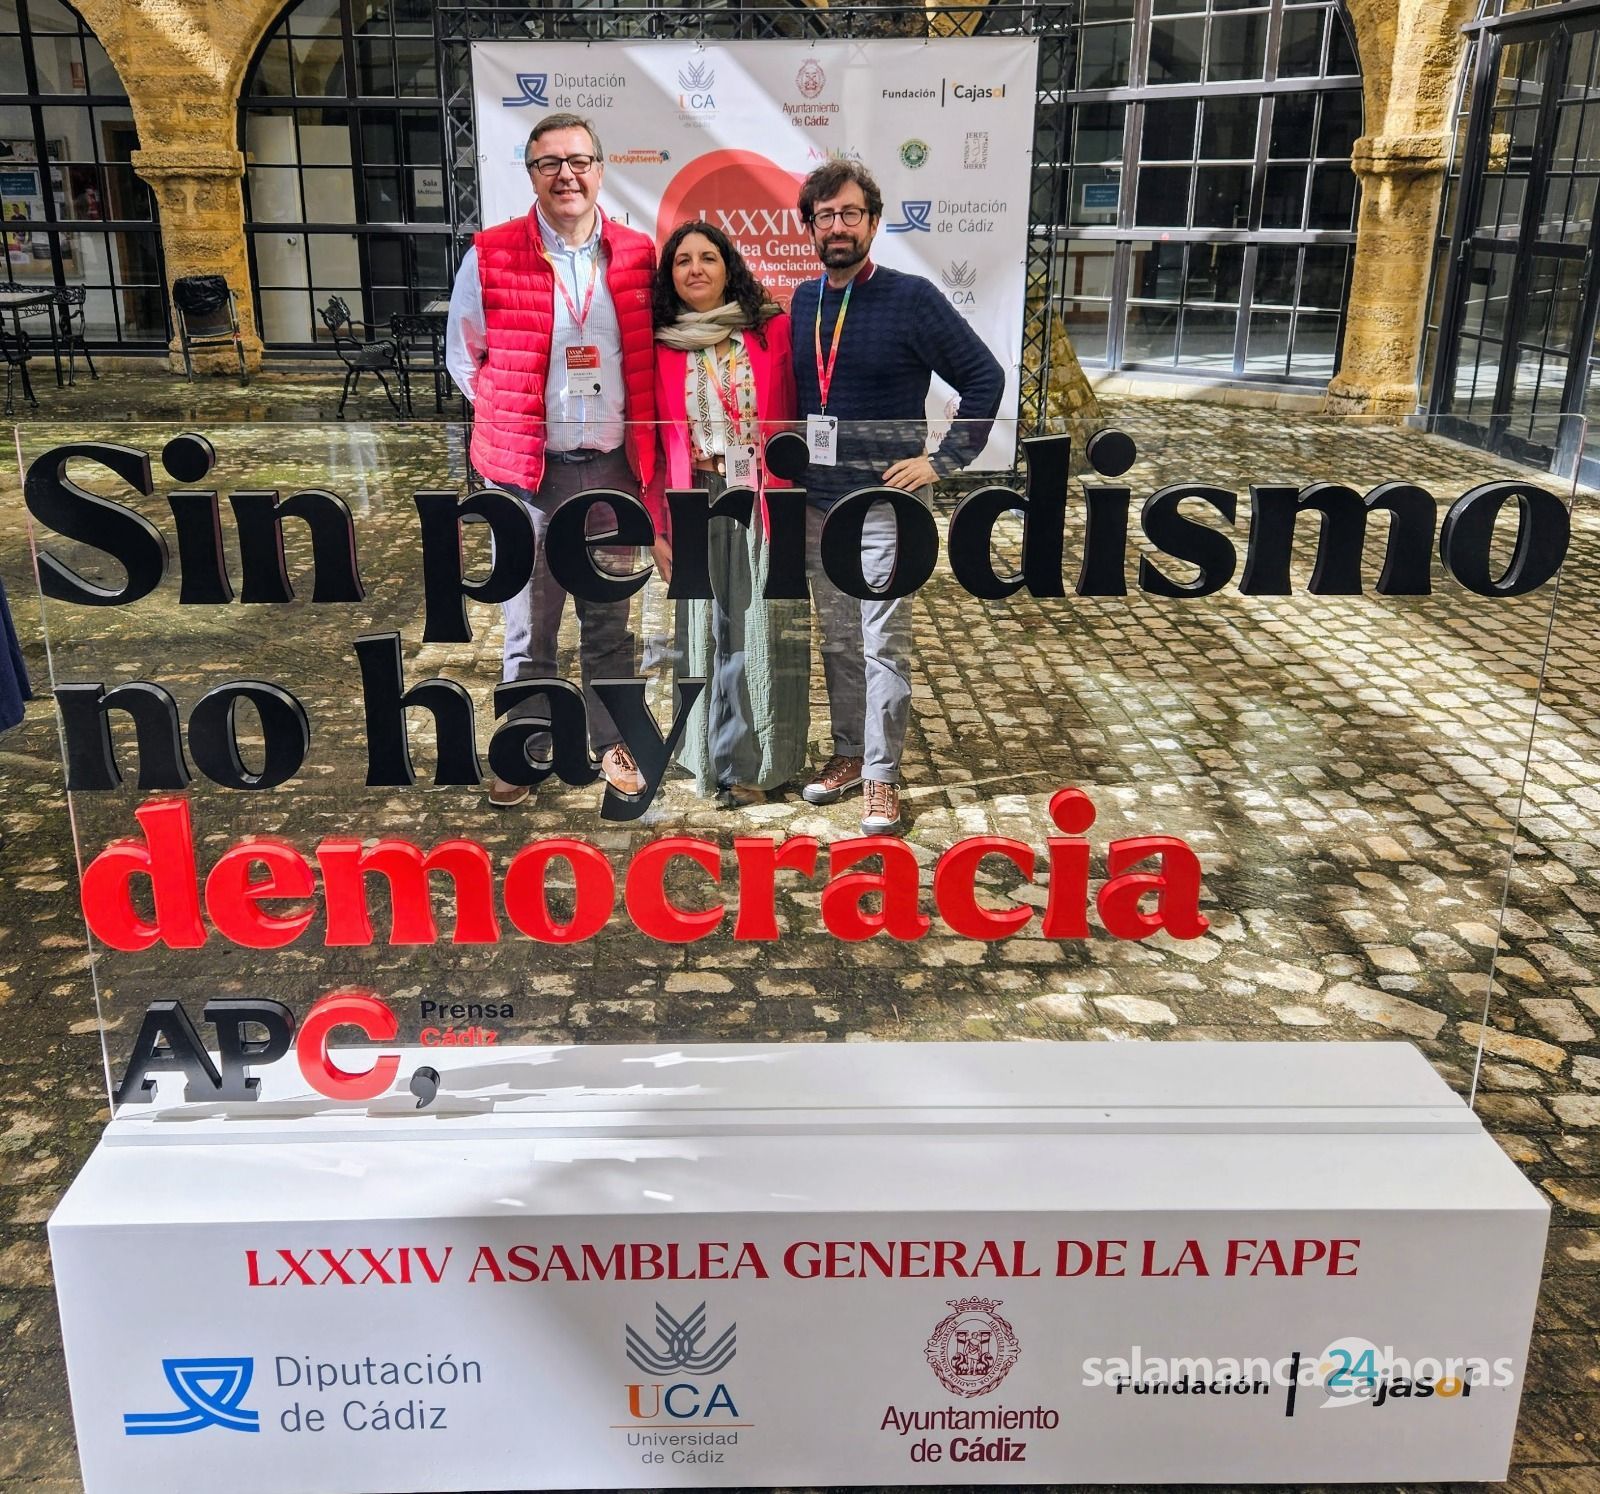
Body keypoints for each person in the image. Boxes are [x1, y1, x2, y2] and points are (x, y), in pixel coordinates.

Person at [445, 110, 656, 805]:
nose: (566, 174)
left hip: (614, 474)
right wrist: (513, 420)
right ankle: (524, 749)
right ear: (532, 174)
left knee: (608, 621)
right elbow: (465, 359)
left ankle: (611, 740)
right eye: (549, 164)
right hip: (529, 478)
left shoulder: (637, 254)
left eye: (578, 161)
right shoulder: (490, 254)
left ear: (600, 169)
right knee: (529, 626)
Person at [790, 160, 1004, 834]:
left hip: (883, 509)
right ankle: (850, 755)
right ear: (811, 229)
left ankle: (882, 780)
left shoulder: (912, 299)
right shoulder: (802, 301)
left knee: (883, 642)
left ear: (874, 223)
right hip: (817, 507)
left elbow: (985, 377)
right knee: (839, 642)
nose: (838, 226)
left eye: (851, 213)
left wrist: (942, 461)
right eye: (825, 216)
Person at [647, 221, 807, 808]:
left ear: (727, 265)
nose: (695, 269)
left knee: (759, 631)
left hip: (761, 496)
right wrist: (656, 528)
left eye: (707, 257)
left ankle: (758, 764)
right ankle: (701, 756)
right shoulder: (660, 344)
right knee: (697, 632)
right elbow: (655, 445)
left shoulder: (770, 332)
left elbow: (796, 412)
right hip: (693, 498)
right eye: (682, 260)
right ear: (670, 276)